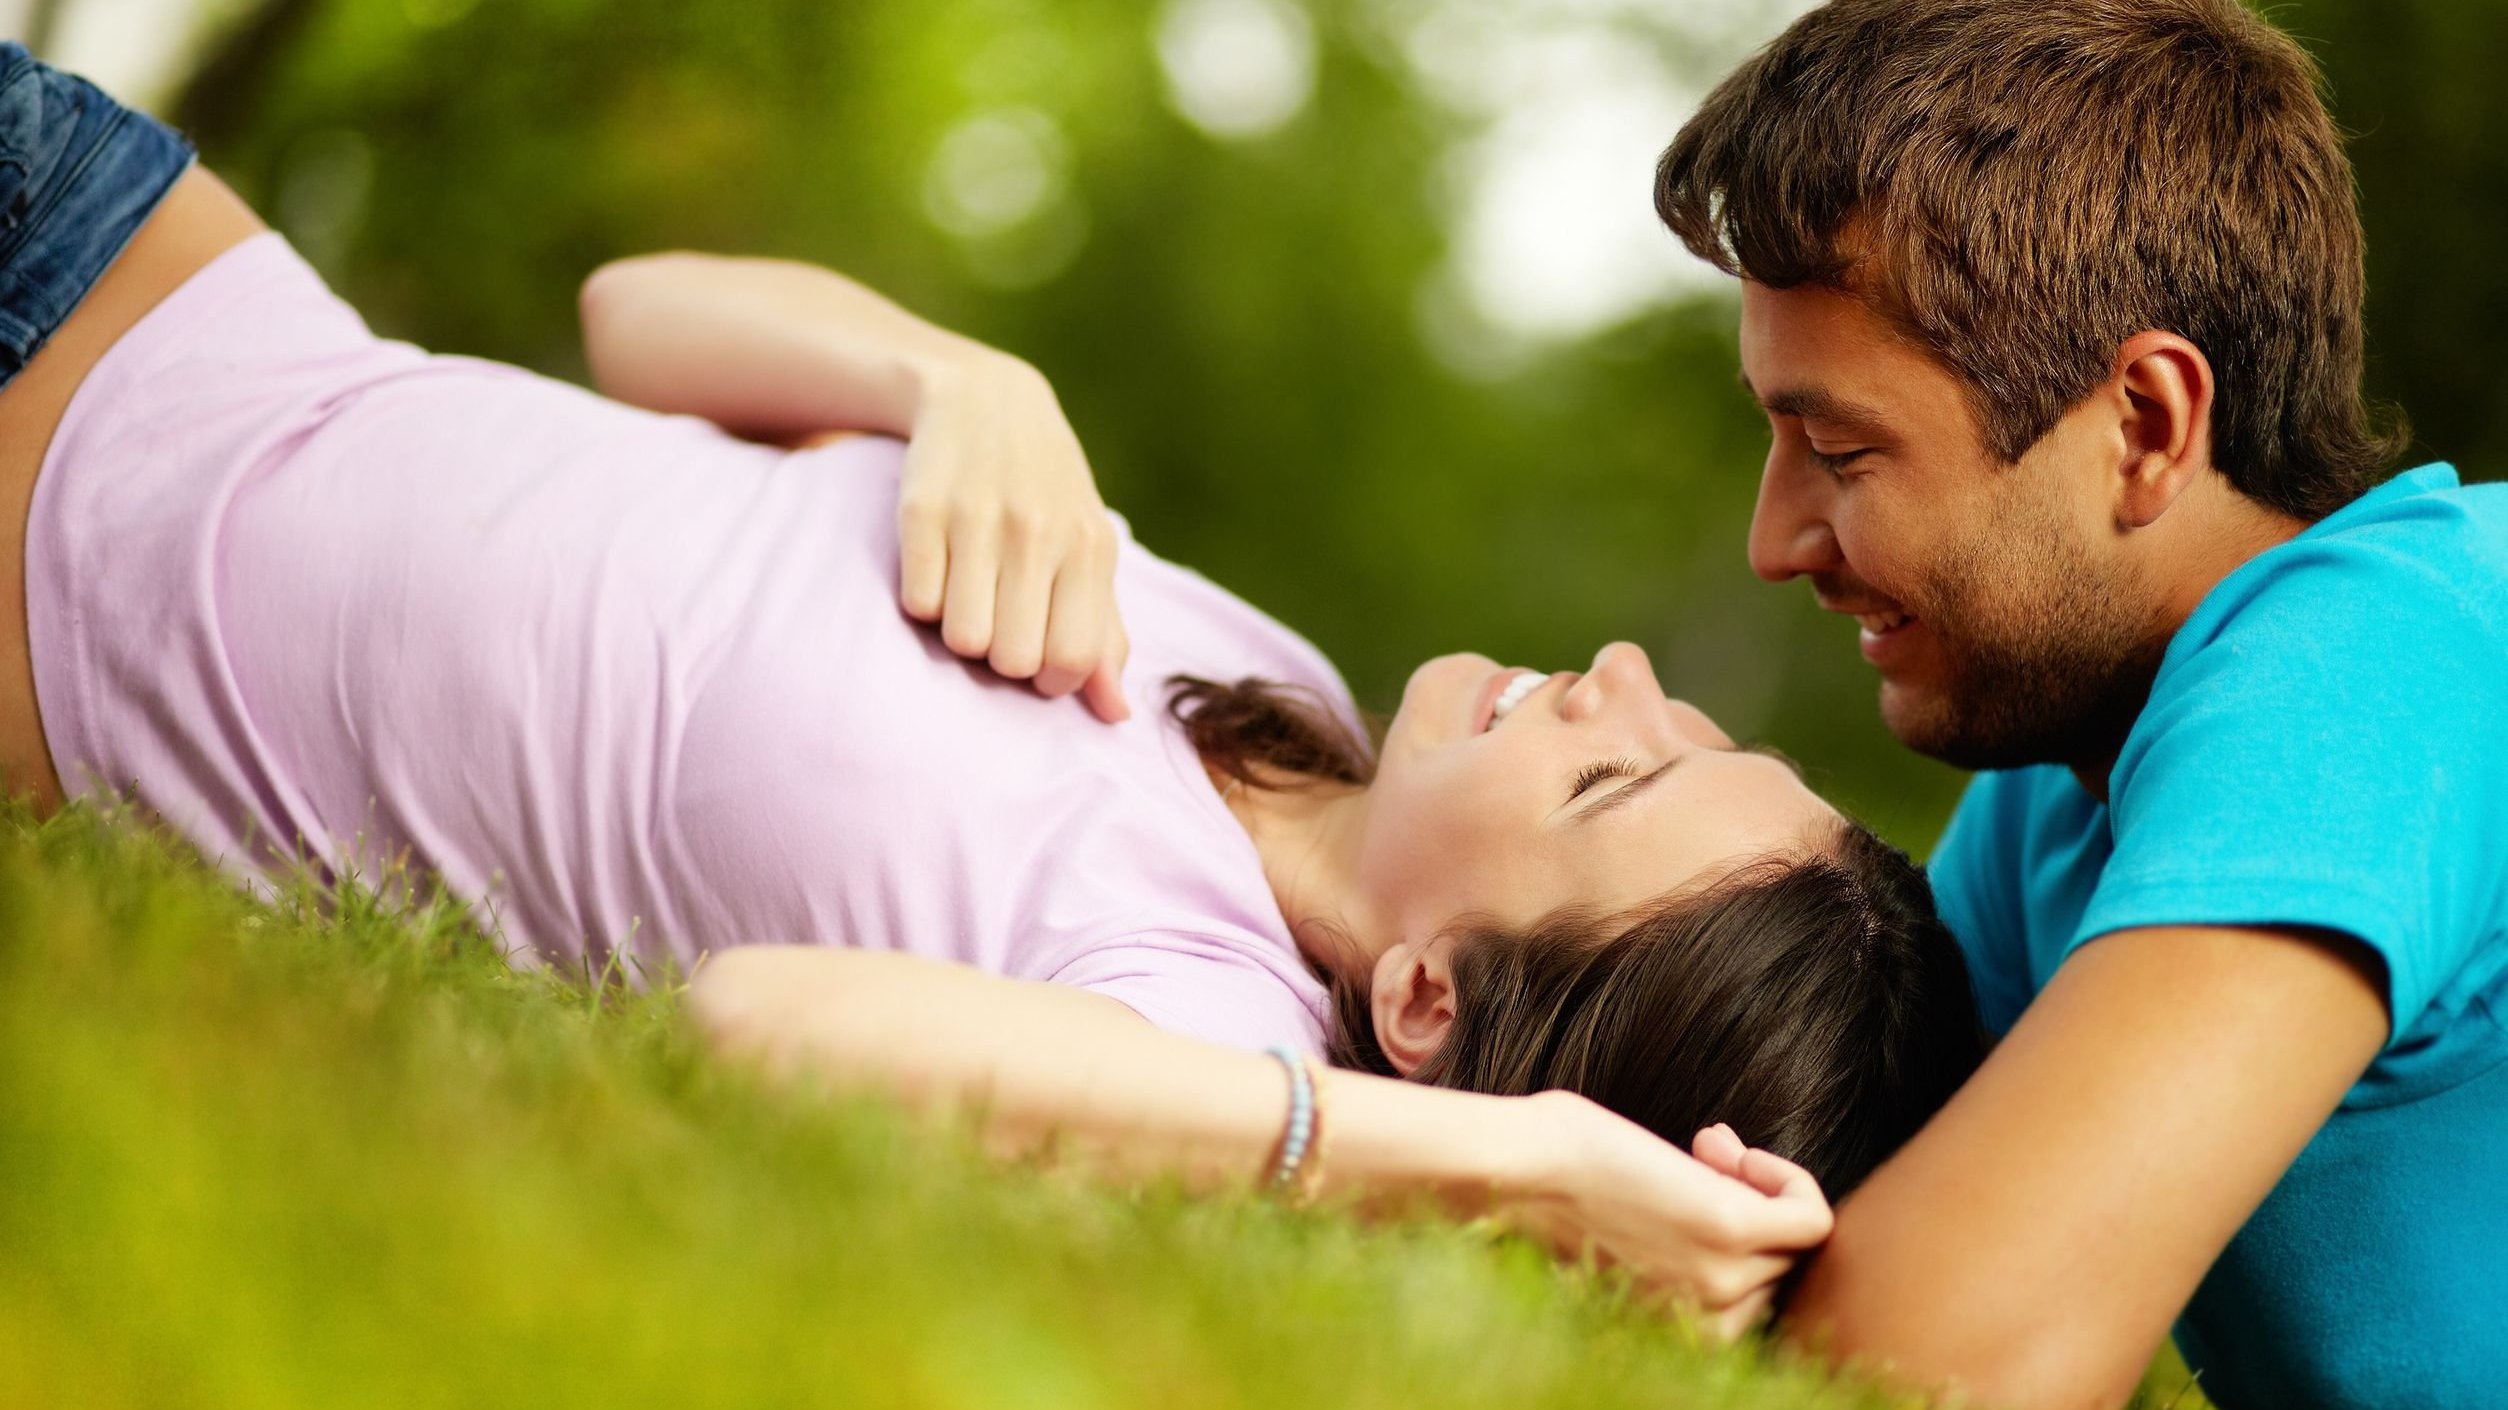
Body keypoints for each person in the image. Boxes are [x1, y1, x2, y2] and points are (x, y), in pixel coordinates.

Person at [0, 42, 1985, 1330]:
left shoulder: (1178, 1014)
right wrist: (960, 381)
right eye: (1689, 724)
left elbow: (763, 1029)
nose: (1624, 679)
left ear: (1430, 997)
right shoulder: (1258, 675)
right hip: (142, 261)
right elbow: (641, 320)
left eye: (1612, 785)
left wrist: (1531, 1164)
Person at [1655, 0, 2508, 1405]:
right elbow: (1786, 1216)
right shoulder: (2056, 802)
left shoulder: (2387, 657)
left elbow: (1953, 1354)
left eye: (1841, 449)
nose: (1776, 542)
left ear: (2148, 427)